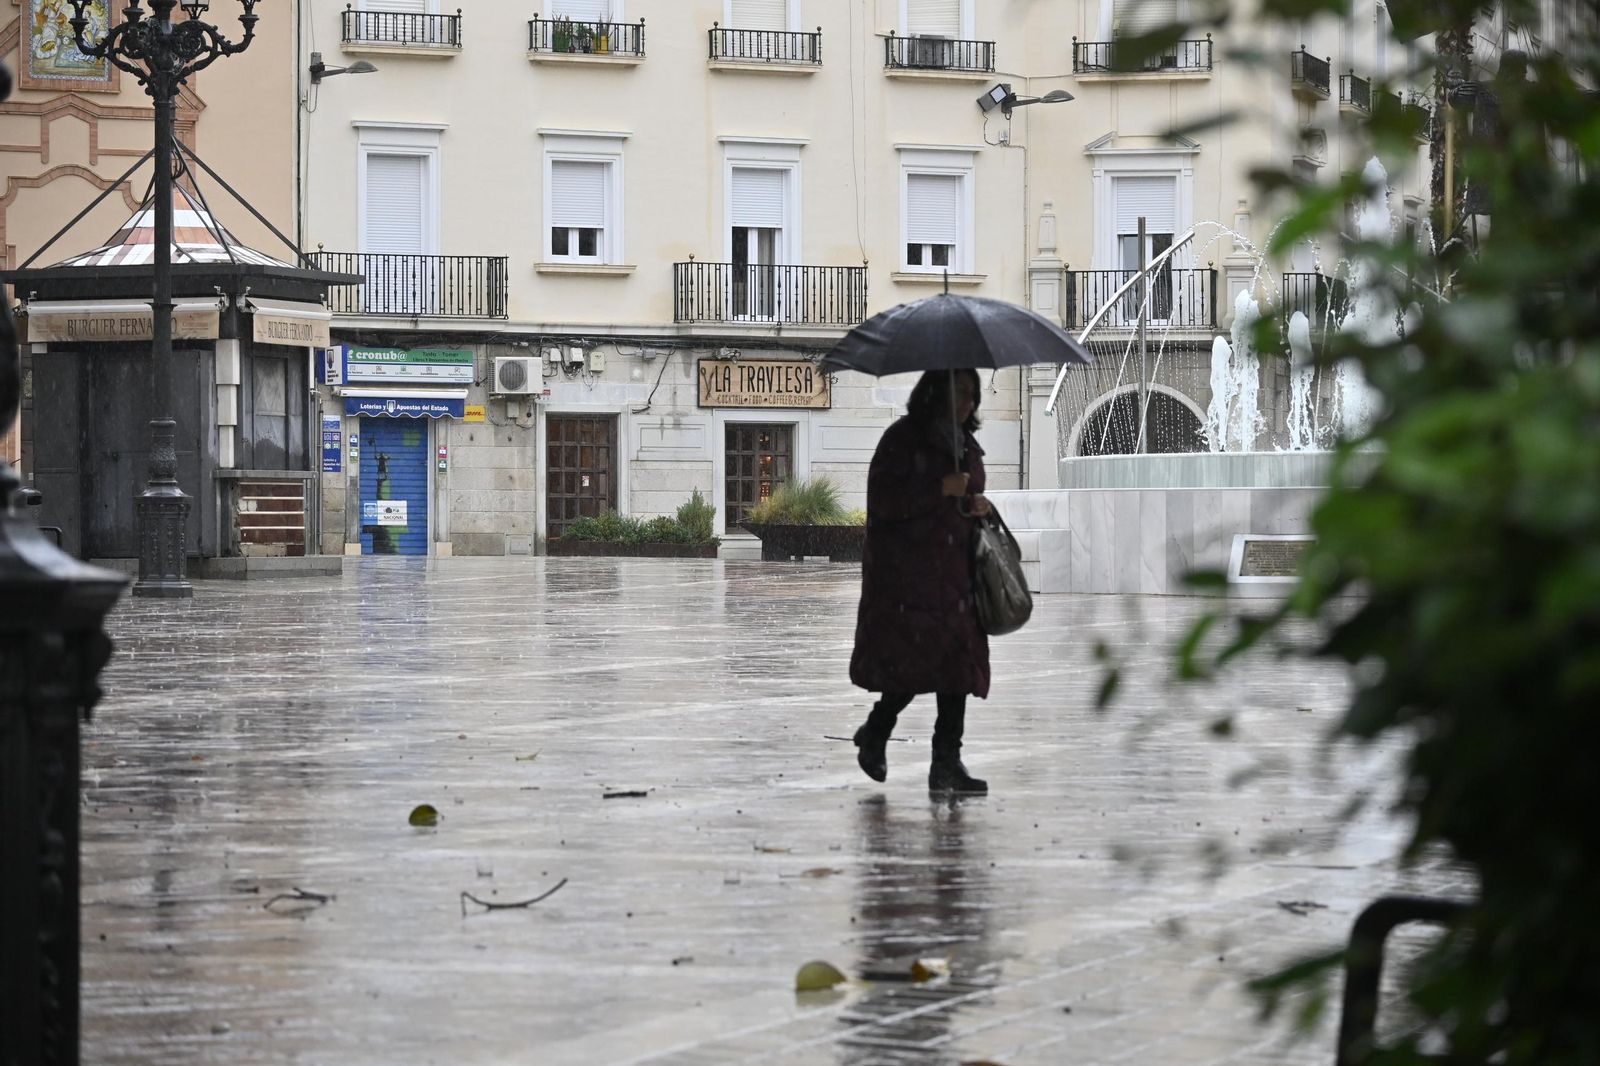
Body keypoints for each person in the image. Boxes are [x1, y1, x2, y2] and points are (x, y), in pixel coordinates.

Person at [848, 368, 993, 794]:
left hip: (955, 575)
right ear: (932, 393)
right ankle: (876, 731)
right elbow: (884, 505)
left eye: (972, 393)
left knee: (957, 670)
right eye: (958, 392)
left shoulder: (966, 443)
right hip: (907, 578)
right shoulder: (902, 441)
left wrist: (975, 503)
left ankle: (947, 761)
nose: (967, 402)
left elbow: (962, 498)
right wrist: (938, 491)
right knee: (910, 666)